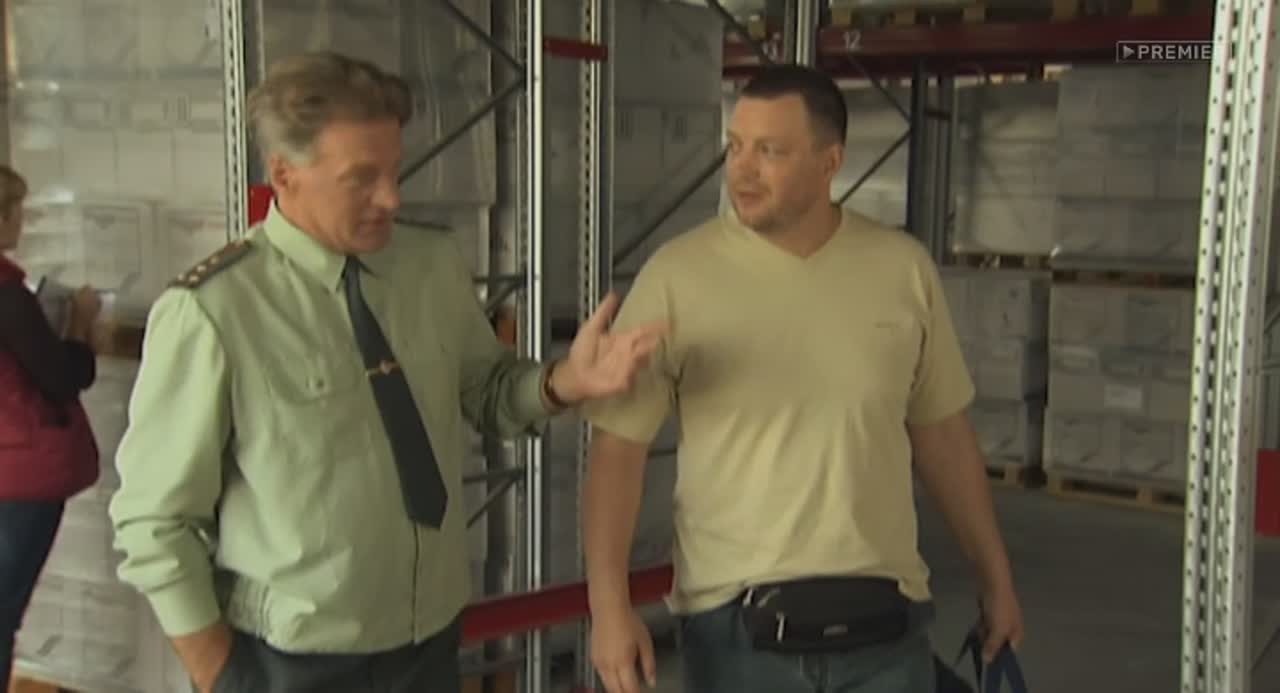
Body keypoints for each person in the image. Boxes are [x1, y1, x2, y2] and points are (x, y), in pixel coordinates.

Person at [107, 52, 664, 693]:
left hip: (428, 642)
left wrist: (566, 381)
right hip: (291, 659)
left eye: (395, 172)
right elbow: (155, 522)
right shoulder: (214, 311)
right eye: (361, 179)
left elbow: (487, 391)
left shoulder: (430, 266)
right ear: (284, 174)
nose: (391, 198)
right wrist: (222, 673)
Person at [580, 64, 1024, 693]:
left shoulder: (903, 271)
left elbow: (944, 438)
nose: (742, 170)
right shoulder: (676, 278)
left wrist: (996, 579)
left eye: (770, 151)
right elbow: (617, 452)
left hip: (886, 624)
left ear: (829, 161)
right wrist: (609, 607)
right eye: (736, 146)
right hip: (736, 630)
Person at [0, 165, 103, 683]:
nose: (22, 220)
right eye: (16, 209)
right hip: (19, 475)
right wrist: (80, 325)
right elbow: (63, 376)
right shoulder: (7, 295)